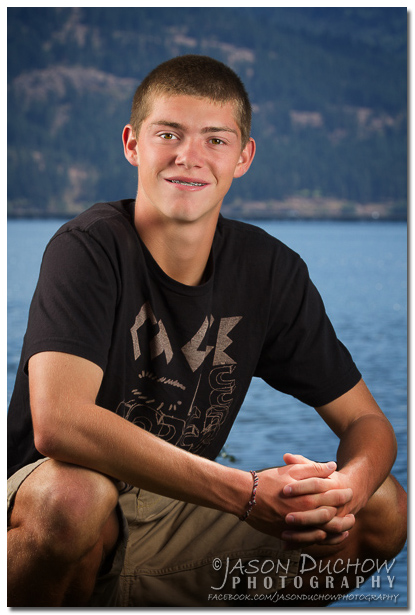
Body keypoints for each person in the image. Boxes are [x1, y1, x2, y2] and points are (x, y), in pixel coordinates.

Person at [7, 55, 406, 607]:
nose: (188, 157)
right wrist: (244, 494)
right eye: (167, 133)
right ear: (132, 144)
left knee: (382, 507)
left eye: (215, 140)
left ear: (244, 156)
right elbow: (59, 424)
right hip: (52, 515)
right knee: (75, 496)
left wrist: (346, 489)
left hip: (178, 515)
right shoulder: (88, 250)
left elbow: (367, 421)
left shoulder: (269, 271)